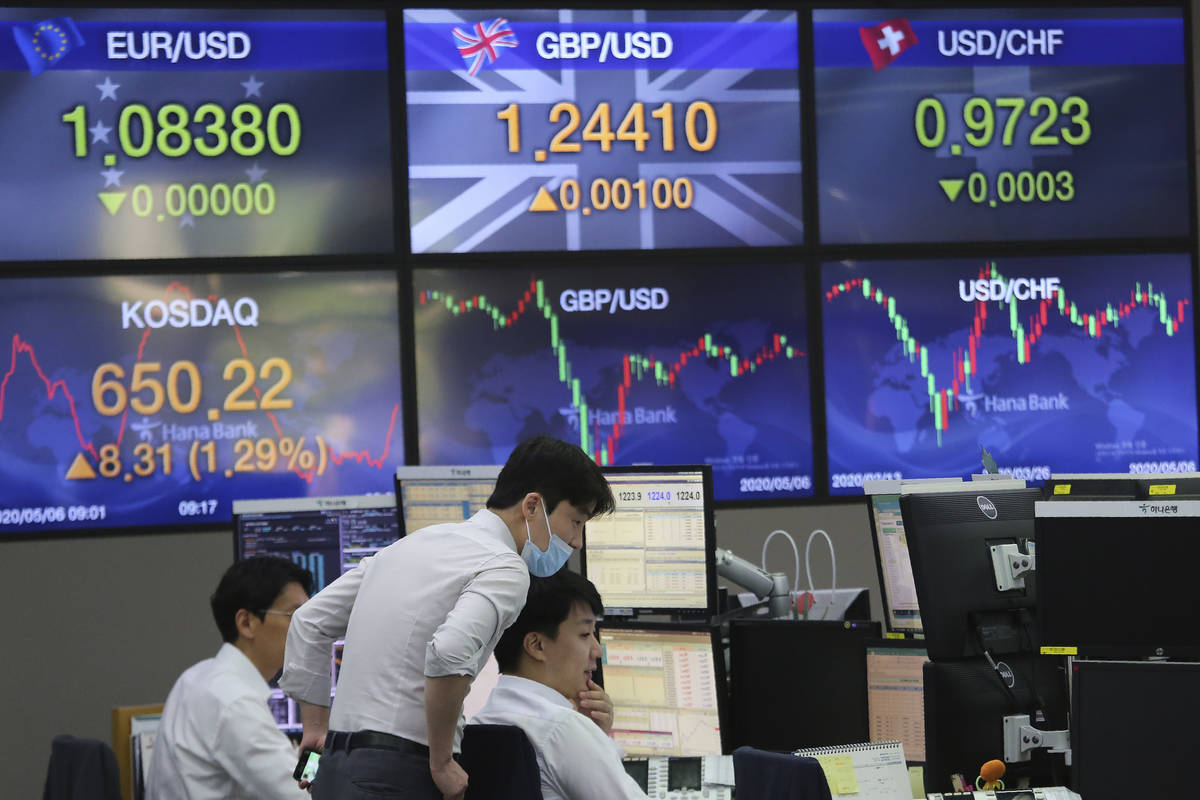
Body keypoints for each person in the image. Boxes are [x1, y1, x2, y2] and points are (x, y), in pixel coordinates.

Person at [280, 435, 614, 800]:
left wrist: (315, 727)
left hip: (332, 773)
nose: (578, 541)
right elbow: (449, 652)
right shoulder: (504, 566)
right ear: (532, 505)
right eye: (576, 522)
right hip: (398, 776)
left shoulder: (412, 544)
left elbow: (308, 622)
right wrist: (441, 761)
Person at [472, 568, 647, 800]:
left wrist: (595, 737)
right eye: (585, 634)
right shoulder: (561, 728)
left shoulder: (482, 722)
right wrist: (591, 739)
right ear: (536, 645)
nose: (597, 650)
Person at [147, 556, 312, 800]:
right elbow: (304, 794)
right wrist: (317, 756)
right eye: (295, 616)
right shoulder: (235, 702)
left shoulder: (196, 677)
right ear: (246, 622)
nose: (307, 628)